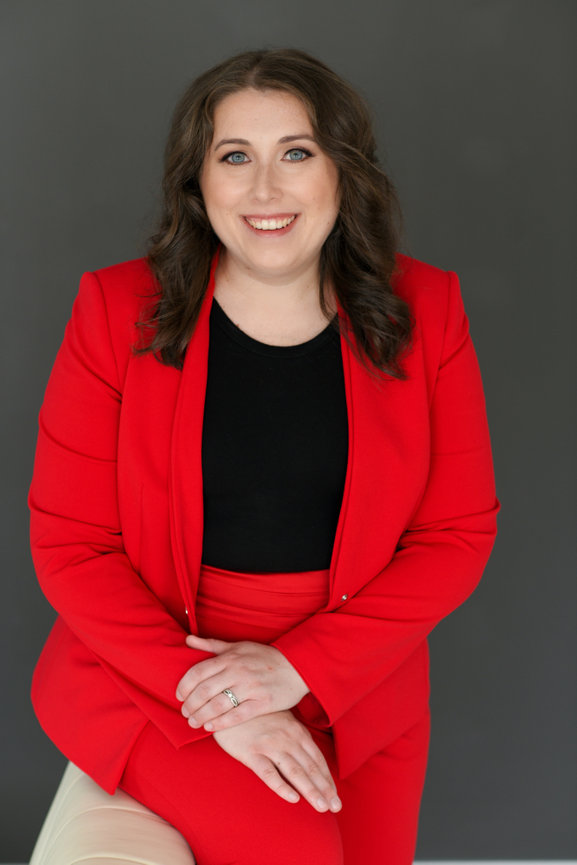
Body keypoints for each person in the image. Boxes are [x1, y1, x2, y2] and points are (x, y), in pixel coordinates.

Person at [29, 48, 499, 865]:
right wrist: (227, 703)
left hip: (359, 682)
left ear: (341, 172)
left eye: (297, 152)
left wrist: (299, 669)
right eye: (234, 156)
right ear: (197, 182)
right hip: (158, 676)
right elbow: (72, 548)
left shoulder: (429, 309)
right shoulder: (113, 311)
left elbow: (455, 535)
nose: (264, 190)